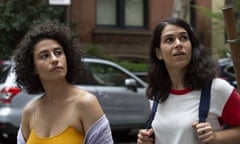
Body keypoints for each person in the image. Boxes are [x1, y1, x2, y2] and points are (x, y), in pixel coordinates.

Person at [137, 17, 240, 144]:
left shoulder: (217, 89)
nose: (178, 44)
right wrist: (146, 140)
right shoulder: (156, 95)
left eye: (184, 38)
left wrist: (216, 137)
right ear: (159, 53)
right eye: (169, 40)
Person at [14, 21, 114, 144]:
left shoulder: (86, 104)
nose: (55, 59)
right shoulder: (30, 111)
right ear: (33, 67)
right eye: (45, 56)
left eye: (58, 52)